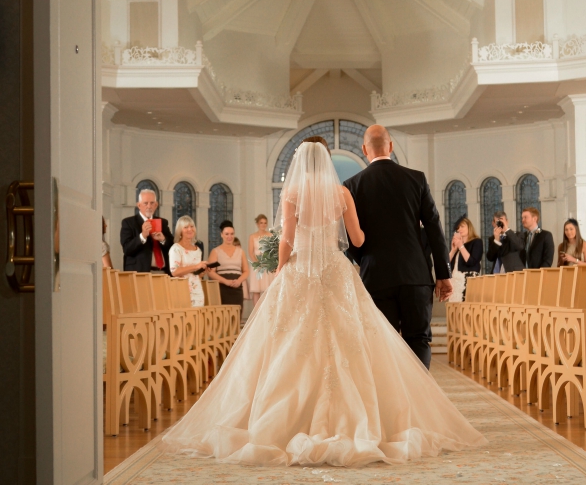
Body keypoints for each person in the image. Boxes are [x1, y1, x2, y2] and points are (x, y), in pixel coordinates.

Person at [159, 141, 485, 466]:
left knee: (286, 343)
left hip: (299, 271)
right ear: (327, 161)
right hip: (335, 270)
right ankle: (367, 421)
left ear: (299, 162)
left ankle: (278, 421)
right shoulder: (341, 194)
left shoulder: (293, 194)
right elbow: (357, 239)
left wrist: (279, 269)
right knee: (352, 342)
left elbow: (286, 239)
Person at [342, 126, 452, 370]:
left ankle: (392, 404)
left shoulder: (352, 185)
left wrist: (366, 259)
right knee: (419, 339)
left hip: (376, 276)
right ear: (390, 147)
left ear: (364, 150)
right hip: (416, 275)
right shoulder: (416, 178)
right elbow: (434, 227)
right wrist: (443, 274)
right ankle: (419, 398)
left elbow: (349, 238)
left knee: (383, 342)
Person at [120, 189, 174, 273]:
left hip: (163, 272)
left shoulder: (163, 222)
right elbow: (127, 249)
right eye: (145, 203)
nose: (149, 206)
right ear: (139, 205)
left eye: (152, 203)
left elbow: (173, 247)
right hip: (139, 273)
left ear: (156, 205)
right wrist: (142, 236)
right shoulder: (128, 223)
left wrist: (163, 239)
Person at [207, 220, 249, 307]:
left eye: (232, 234)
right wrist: (226, 281)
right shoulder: (215, 252)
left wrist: (239, 281)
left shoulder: (241, 252)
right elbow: (210, 272)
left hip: (237, 289)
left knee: (236, 317)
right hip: (221, 289)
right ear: (221, 234)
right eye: (227, 234)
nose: (229, 236)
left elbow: (246, 271)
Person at [168, 216, 208, 307]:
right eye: (186, 227)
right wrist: (196, 266)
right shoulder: (176, 248)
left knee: (197, 319)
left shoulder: (198, 250)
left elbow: (196, 275)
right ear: (180, 231)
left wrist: (203, 271)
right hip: (181, 289)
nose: (190, 229)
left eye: (192, 226)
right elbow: (174, 272)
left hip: (197, 290)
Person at [449, 217, 483, 301]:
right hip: (455, 281)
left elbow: (471, 261)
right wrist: (453, 251)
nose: (460, 229)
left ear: (469, 227)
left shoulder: (476, 242)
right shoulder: (458, 247)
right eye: (458, 228)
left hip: (468, 281)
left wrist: (461, 246)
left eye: (462, 226)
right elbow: (447, 265)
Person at [247, 214, 276, 303]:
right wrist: (257, 263)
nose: (263, 225)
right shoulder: (252, 236)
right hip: (257, 265)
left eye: (265, 223)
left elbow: (273, 251)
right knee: (256, 290)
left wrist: (269, 262)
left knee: (268, 289)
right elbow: (251, 252)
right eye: (261, 223)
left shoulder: (270, 235)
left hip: (267, 265)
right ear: (257, 224)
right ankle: (256, 313)